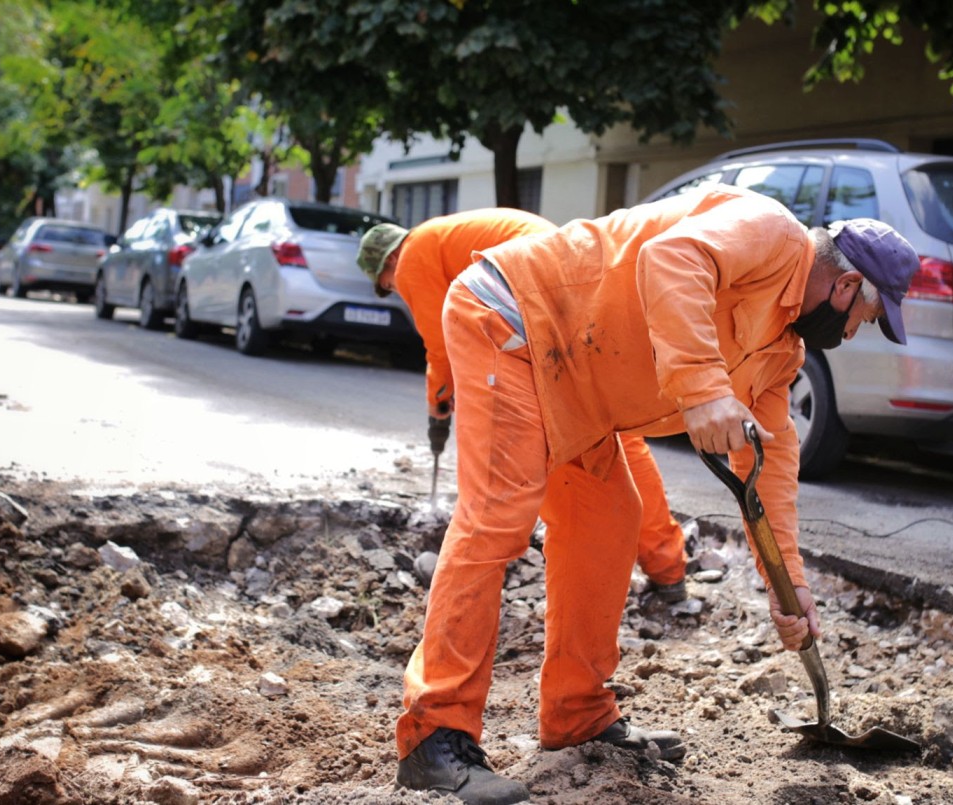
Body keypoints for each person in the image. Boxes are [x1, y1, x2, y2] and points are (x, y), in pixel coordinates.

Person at [389, 184, 921, 804]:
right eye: (867, 319)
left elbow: (770, 460)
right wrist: (703, 390)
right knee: (499, 516)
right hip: (512, 322)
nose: (855, 333)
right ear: (848, 285)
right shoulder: (771, 232)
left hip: (579, 391)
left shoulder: (781, 349)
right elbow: (671, 258)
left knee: (612, 519)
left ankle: (576, 714)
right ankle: (435, 737)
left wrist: (790, 582)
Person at [356, 210, 691, 603]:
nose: (397, 290)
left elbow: (441, 347)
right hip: (568, 281)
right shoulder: (442, 236)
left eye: (388, 285)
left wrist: (438, 402)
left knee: (529, 441)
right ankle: (668, 571)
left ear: (389, 261)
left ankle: (484, 556)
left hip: (535, 292)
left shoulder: (413, 255)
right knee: (611, 434)